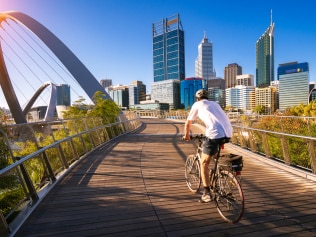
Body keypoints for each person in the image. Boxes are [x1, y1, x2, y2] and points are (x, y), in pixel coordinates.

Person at [183, 89, 233, 203]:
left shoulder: (197, 104)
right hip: (228, 132)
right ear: (207, 97)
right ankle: (219, 172)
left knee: (204, 163)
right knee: (213, 152)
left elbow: (188, 123)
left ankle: (206, 193)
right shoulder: (214, 104)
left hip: (215, 134)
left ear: (197, 98)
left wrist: (186, 135)